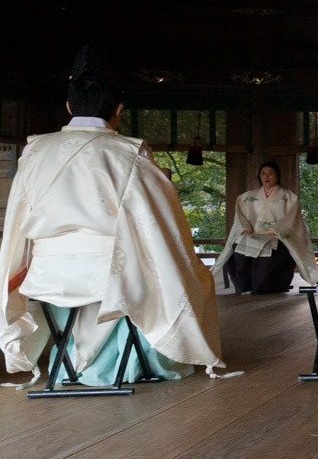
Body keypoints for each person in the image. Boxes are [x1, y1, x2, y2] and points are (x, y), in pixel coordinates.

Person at [0, 46, 226, 385]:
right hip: (110, 274)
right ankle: (132, 362)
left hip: (48, 276)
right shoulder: (130, 152)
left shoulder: (34, 151)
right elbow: (158, 220)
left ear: (68, 106)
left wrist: (14, 270)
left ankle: (74, 358)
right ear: (118, 109)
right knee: (178, 275)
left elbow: (18, 219)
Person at [212, 162, 316, 294]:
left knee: (267, 257)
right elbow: (240, 216)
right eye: (263, 173)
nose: (267, 176)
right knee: (238, 250)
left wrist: (278, 230)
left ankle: (265, 286)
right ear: (259, 176)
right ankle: (243, 285)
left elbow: (292, 220)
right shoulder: (246, 197)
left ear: (277, 176)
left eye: (271, 173)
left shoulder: (288, 198)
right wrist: (244, 228)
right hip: (253, 234)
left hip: (277, 236)